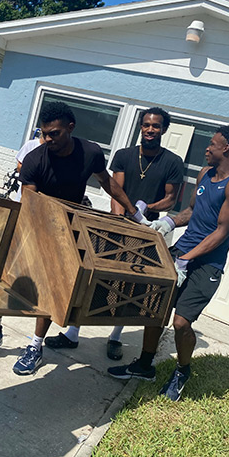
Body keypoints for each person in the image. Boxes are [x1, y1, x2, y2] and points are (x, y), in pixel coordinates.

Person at [0, 101, 151, 374]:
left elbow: (107, 182)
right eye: (44, 133)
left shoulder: (90, 152)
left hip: (68, 230)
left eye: (54, 133)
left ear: (70, 128)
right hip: (32, 224)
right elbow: (31, 203)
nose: (48, 139)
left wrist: (134, 213)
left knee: (51, 288)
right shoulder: (34, 160)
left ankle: (36, 346)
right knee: (7, 280)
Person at [108, 125, 229, 401]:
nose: (206, 149)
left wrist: (185, 260)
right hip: (182, 251)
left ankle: (183, 370)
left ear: (226, 148)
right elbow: (193, 210)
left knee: (181, 322)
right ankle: (145, 365)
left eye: (212, 144)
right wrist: (168, 221)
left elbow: (221, 231)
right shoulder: (206, 173)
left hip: (207, 264)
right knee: (154, 307)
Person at [45, 107, 184, 360]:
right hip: (114, 226)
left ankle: (115, 337)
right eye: (146, 125)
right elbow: (114, 189)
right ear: (140, 127)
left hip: (146, 231)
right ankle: (72, 333)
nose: (150, 130)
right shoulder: (124, 155)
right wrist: (119, 218)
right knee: (95, 278)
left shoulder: (173, 162)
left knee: (129, 285)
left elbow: (171, 199)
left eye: (155, 126)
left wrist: (145, 209)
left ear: (164, 129)